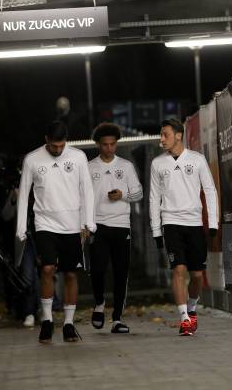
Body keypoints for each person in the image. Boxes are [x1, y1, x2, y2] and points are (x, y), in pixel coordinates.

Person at [16, 121, 95, 343]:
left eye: (61, 146)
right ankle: (48, 320)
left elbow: (87, 190)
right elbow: (23, 195)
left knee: (70, 273)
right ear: (46, 140)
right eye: (54, 146)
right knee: (48, 269)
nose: (58, 150)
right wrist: (21, 228)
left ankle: (68, 324)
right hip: (45, 223)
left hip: (72, 225)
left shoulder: (78, 157)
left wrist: (88, 222)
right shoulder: (32, 159)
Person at [149, 119, 218, 336]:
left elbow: (210, 191)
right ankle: (184, 319)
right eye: (160, 135)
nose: (161, 139)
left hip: (194, 224)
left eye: (165, 135)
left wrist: (213, 223)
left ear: (178, 135)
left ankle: (192, 308)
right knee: (178, 270)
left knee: (197, 275)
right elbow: (153, 198)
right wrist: (156, 230)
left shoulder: (197, 160)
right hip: (171, 224)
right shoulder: (157, 164)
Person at [88, 123, 143, 333]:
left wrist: (123, 195)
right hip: (98, 226)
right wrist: (85, 224)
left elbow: (138, 193)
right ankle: (99, 303)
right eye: (105, 145)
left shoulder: (126, 167)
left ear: (116, 144)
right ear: (98, 145)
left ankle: (118, 318)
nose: (109, 148)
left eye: (112, 144)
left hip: (121, 225)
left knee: (121, 272)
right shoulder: (89, 167)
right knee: (98, 270)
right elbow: (83, 197)